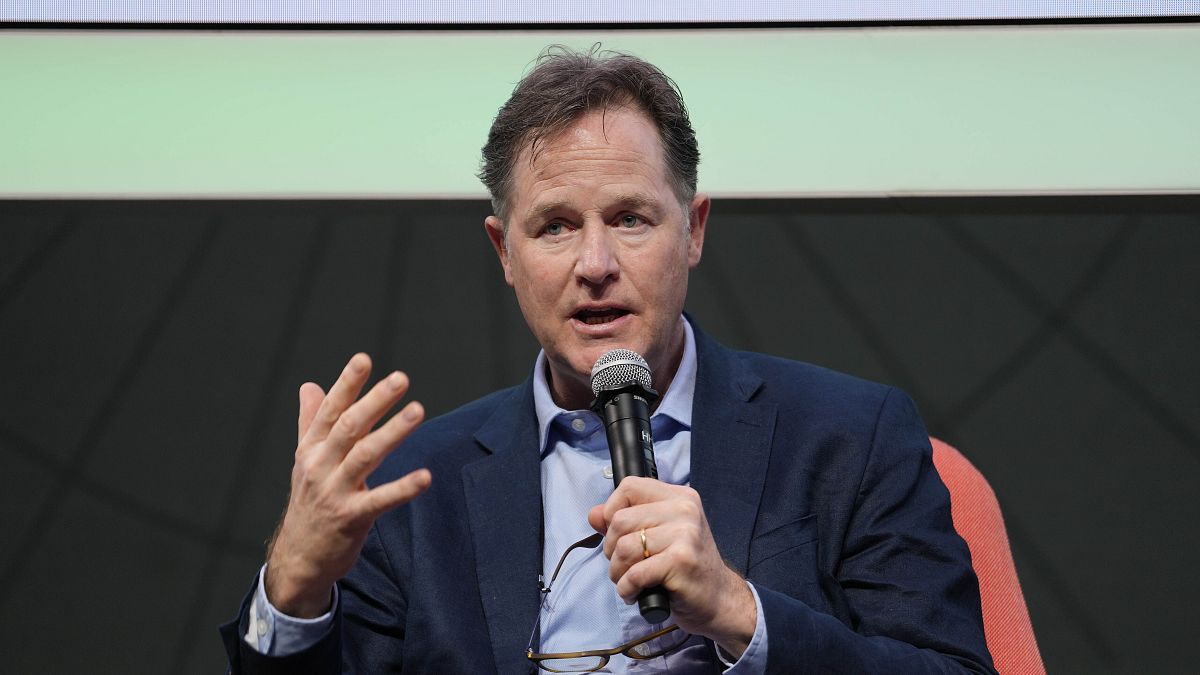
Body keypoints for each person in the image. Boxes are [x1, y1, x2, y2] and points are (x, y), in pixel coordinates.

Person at [220, 46, 996, 673]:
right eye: (555, 226)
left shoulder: (849, 437)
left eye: (630, 218)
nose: (595, 264)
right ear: (504, 251)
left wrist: (739, 612)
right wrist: (293, 589)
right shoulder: (411, 489)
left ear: (693, 230)